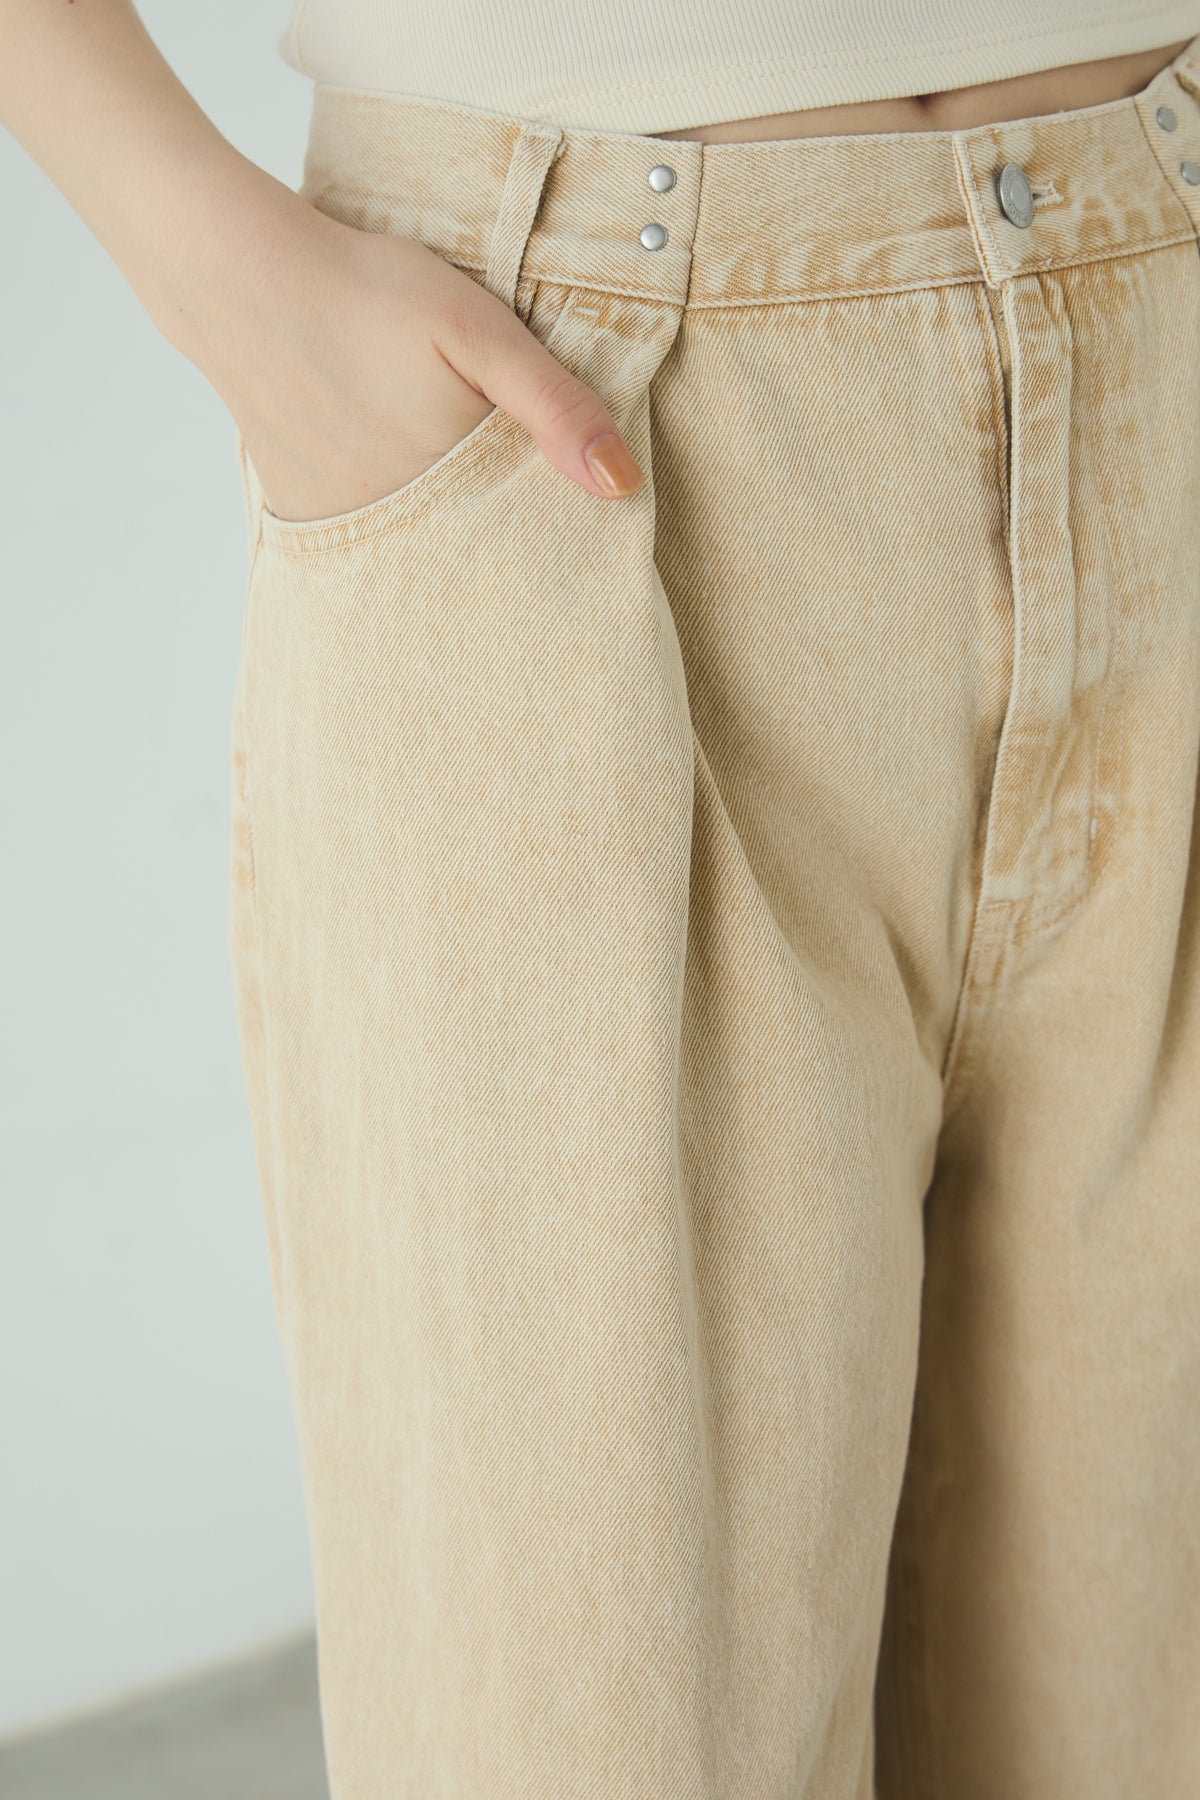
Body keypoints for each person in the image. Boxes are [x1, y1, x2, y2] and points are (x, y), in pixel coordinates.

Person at [5, 4, 1200, 1795]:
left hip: (1163, 292)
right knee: (607, 1722)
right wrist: (201, 249)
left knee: (1136, 1704)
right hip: (567, 385)